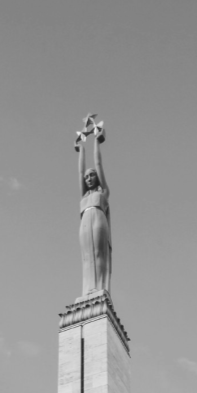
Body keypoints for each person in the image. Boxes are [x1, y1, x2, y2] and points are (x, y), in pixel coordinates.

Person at [76, 118, 111, 297]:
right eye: (87, 177)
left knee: (98, 254)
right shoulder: (84, 196)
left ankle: (99, 288)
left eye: (92, 176)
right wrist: (81, 149)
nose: (88, 178)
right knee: (86, 258)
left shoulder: (103, 193)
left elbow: (98, 164)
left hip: (98, 219)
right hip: (85, 221)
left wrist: (96, 141)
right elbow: (79, 172)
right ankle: (87, 290)